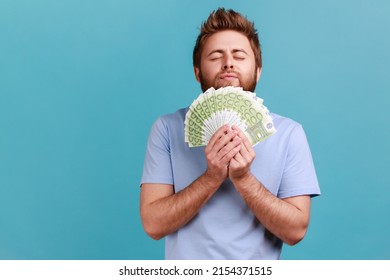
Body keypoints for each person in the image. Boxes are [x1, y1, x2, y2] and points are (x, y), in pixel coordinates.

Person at [140, 8, 320, 260]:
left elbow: (295, 231)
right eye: (215, 56)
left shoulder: (289, 133)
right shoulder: (167, 128)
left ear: (258, 70)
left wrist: (244, 178)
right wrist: (211, 176)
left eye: (239, 55)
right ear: (197, 72)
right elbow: (153, 225)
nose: (228, 63)